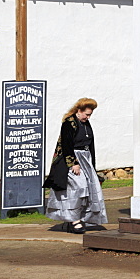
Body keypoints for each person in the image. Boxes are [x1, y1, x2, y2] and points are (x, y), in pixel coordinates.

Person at [43, 97, 107, 233]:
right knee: (78, 187)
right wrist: (73, 164)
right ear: (79, 110)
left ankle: (82, 218)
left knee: (88, 189)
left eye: (90, 114)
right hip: (72, 160)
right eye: (87, 114)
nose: (88, 117)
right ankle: (73, 220)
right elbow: (66, 144)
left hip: (85, 160)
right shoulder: (69, 122)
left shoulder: (85, 123)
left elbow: (90, 144)